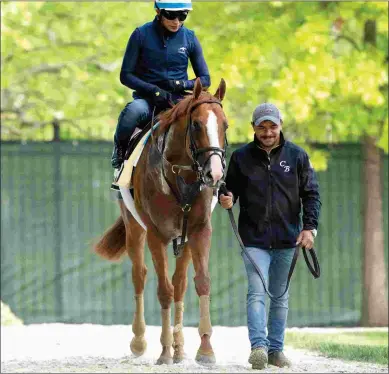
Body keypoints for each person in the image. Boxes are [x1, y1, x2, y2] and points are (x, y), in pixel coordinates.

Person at [219, 103, 321, 369]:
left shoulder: (298, 156)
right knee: (257, 291)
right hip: (253, 240)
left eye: (272, 126)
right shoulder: (241, 158)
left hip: (288, 240)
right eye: (262, 127)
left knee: (279, 296)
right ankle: (259, 348)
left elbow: (311, 195)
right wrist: (226, 198)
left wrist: (309, 227)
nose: (267, 132)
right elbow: (229, 190)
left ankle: (276, 350)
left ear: (280, 126)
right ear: (253, 127)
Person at [111, 0, 211, 184]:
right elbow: (126, 75)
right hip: (148, 100)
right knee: (132, 112)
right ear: (158, 11)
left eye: (182, 16)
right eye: (171, 15)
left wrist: (180, 84)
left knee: (209, 120)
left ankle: (213, 170)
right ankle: (120, 153)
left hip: (178, 101)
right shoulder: (140, 34)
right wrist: (153, 90)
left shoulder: (190, 37)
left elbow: (205, 79)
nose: (176, 21)